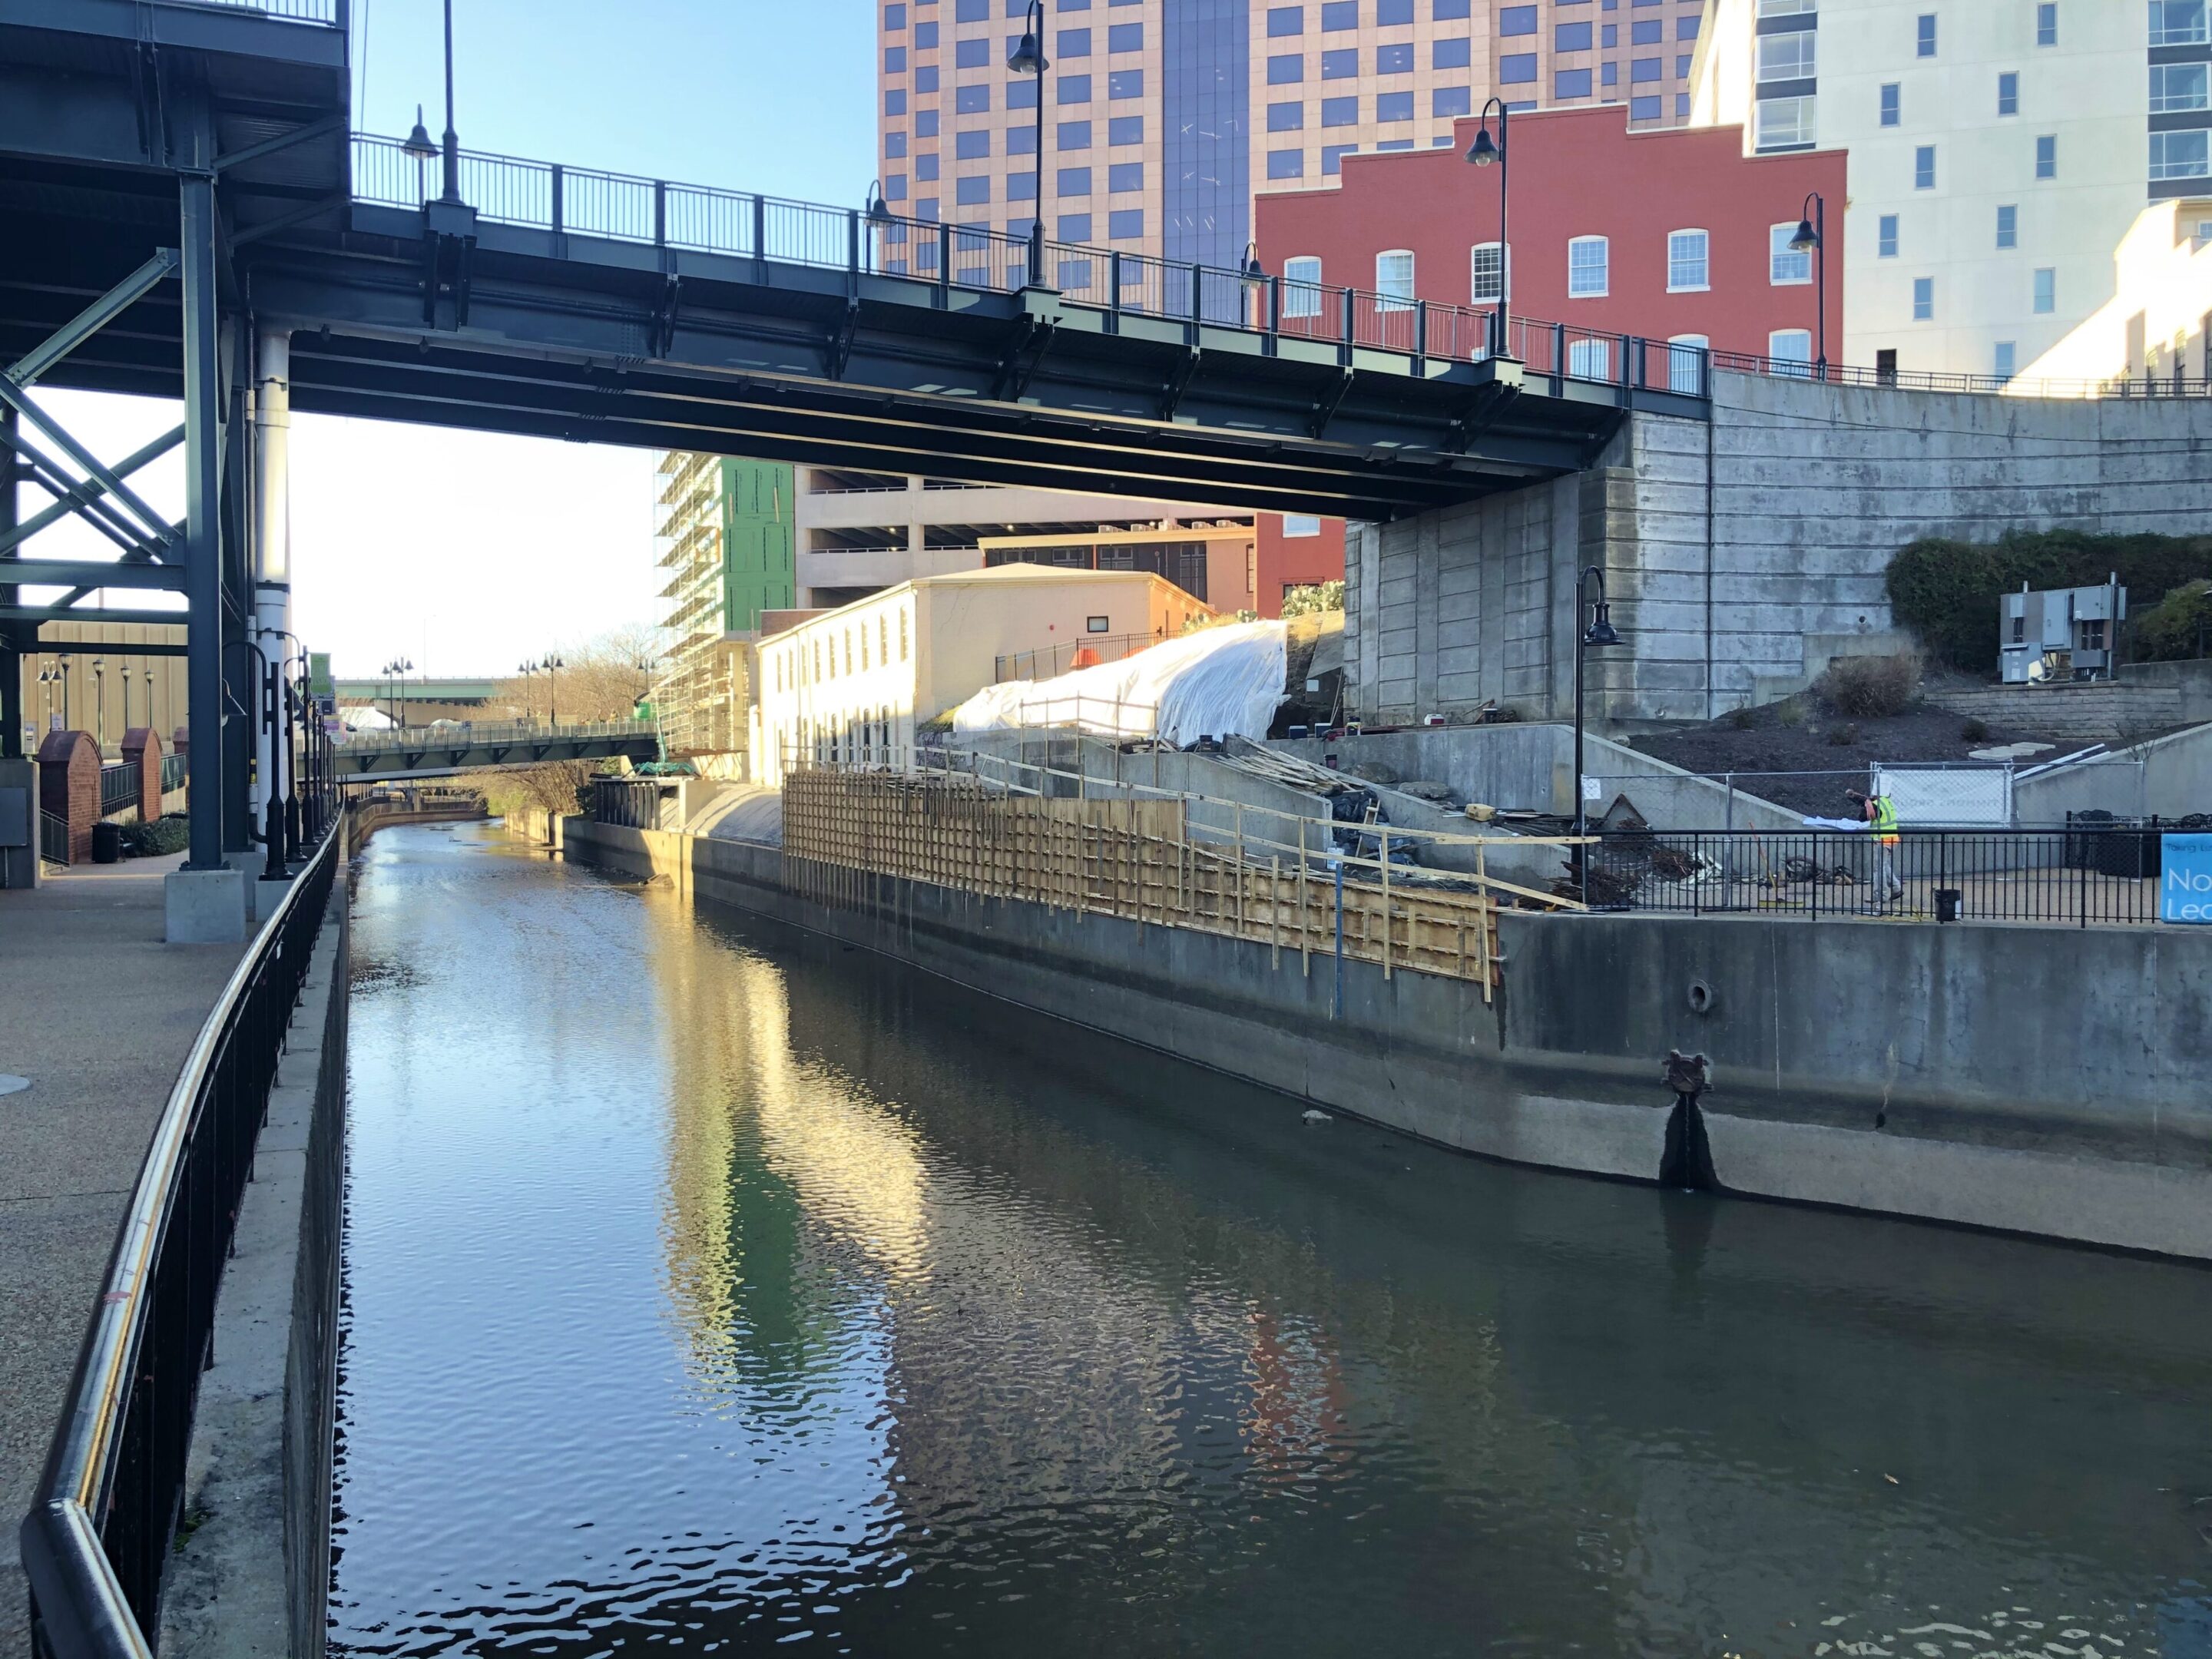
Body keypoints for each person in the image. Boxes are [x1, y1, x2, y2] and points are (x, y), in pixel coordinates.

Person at [1847, 786, 1903, 906]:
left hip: (1882, 840)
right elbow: (1867, 802)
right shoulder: (1886, 802)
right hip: (1893, 839)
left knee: (1878, 869)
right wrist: (1857, 798)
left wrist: (1865, 804)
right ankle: (1896, 888)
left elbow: (1862, 817)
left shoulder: (1876, 805)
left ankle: (1880, 895)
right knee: (1884, 866)